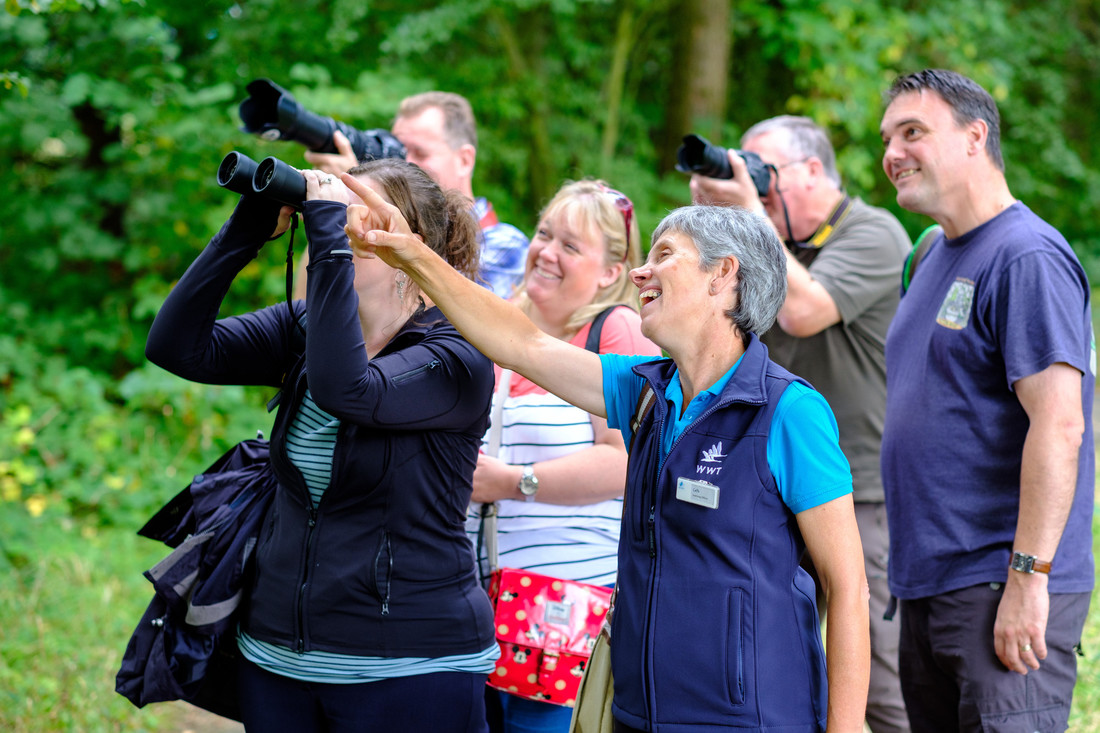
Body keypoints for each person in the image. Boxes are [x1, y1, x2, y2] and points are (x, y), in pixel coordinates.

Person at [343, 179, 872, 732]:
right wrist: (410, 252)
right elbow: (523, 344)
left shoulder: (788, 411)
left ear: (723, 275)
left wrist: (846, 726)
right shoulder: (644, 392)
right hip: (635, 715)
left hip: (751, 718)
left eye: (665, 256)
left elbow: (847, 585)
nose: (640, 272)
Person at [145, 158, 498, 733]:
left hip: (410, 666)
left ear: (415, 245)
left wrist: (330, 234)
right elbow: (177, 348)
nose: (340, 225)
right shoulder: (308, 327)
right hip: (277, 659)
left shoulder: (457, 355)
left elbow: (346, 390)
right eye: (336, 211)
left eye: (361, 214)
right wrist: (247, 229)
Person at [878, 68, 1094, 733]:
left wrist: (1030, 578)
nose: (891, 153)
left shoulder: (1025, 256)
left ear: (976, 137)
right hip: (928, 586)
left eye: (913, 131)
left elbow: (1060, 424)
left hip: (1000, 584)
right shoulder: (929, 255)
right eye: (886, 137)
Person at [690, 115, 912, 733]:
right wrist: (709, 228)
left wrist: (749, 218)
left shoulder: (874, 233)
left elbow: (805, 310)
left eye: (766, 174)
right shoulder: (768, 241)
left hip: (856, 493)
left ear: (814, 170)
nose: (755, 189)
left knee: (872, 681)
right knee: (768, 660)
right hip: (764, 491)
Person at [469, 179, 661, 732]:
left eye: (570, 246)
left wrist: (511, 481)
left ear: (611, 272)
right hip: (480, 597)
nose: (546, 252)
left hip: (559, 616)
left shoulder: (614, 330)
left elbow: (626, 462)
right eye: (544, 233)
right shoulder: (505, 325)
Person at [305, 90, 528, 298]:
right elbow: (308, 310)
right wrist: (336, 206)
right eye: (398, 152)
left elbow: (453, 323)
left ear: (465, 160)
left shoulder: (503, 244)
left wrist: (362, 195)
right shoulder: (370, 226)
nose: (404, 163)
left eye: (420, 152)